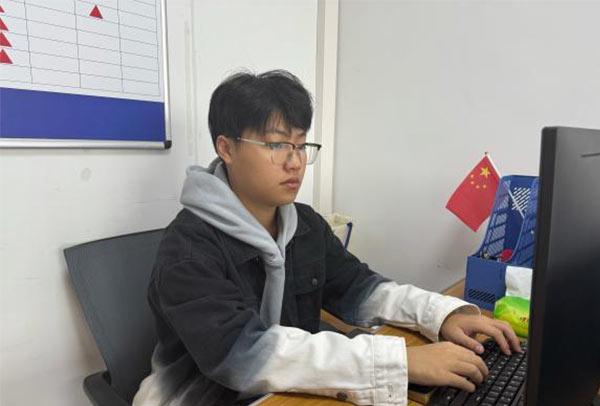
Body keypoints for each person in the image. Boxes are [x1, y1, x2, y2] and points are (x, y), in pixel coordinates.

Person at [132, 70, 521, 406]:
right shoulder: (188, 249)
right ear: (226, 148)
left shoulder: (303, 223)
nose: (295, 161)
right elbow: (241, 356)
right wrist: (400, 361)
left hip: (287, 388)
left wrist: (441, 314)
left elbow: (360, 288)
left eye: (301, 145)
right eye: (276, 145)